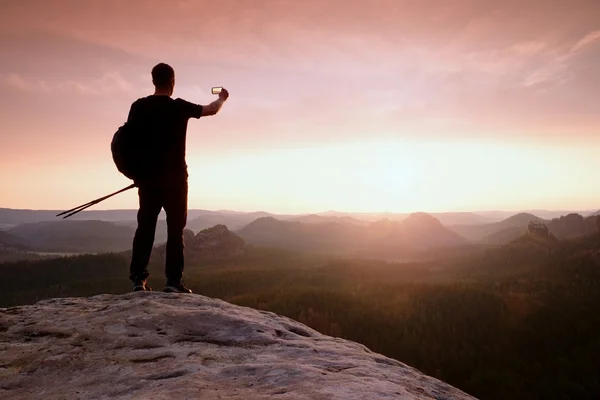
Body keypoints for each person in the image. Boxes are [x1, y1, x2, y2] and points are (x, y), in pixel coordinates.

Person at [127, 63, 229, 293]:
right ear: (172, 82)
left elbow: (129, 139)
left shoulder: (139, 107)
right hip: (175, 180)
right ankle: (173, 282)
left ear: (154, 81)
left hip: (148, 180)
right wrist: (223, 98)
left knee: (145, 227)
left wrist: (136, 171)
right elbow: (211, 109)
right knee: (175, 230)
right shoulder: (179, 107)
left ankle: (138, 280)